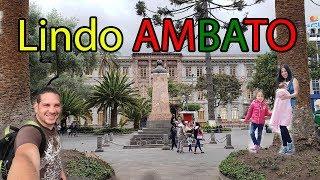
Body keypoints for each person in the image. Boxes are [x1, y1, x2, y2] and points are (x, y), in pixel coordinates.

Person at [8, 87, 67, 180]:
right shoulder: (29, 132)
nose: (52, 110)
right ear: (36, 107)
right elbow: (26, 157)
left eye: (56, 105)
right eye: (46, 105)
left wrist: (61, 173)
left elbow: (54, 155)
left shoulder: (53, 127)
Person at [270, 83, 294, 154]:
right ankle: (288, 145)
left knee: (283, 129)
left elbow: (277, 105)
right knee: (283, 129)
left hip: (281, 113)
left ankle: (286, 146)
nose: (286, 87)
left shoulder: (278, 94)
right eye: (286, 86)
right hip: (285, 113)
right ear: (284, 87)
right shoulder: (286, 93)